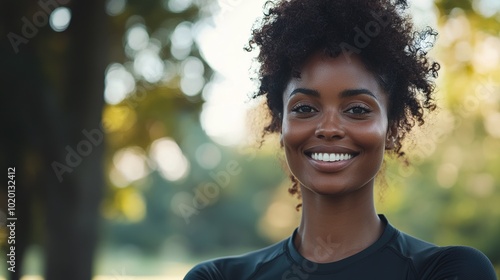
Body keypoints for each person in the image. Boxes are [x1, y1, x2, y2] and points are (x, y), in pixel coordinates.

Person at [184, 0, 497, 279]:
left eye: (358, 109)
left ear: (392, 130)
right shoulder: (218, 277)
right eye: (305, 108)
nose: (329, 128)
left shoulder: (447, 271)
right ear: (282, 126)